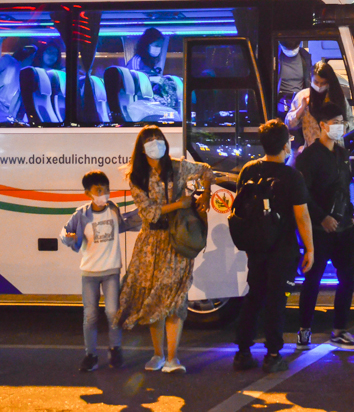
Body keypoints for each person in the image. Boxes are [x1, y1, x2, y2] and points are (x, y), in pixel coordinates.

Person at [113, 124, 214, 374]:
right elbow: (148, 212)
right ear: (141, 148)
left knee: (176, 299)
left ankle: (172, 358)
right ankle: (158, 355)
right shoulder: (136, 177)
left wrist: (205, 195)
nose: (156, 143)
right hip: (151, 243)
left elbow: (207, 171)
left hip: (177, 241)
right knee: (155, 298)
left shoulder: (178, 166)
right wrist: (179, 204)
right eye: (150, 140)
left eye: (159, 138)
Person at [233, 119, 315, 373]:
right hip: (283, 248)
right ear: (284, 146)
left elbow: (241, 207)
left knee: (254, 296)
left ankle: (243, 352)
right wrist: (310, 249)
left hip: (255, 246)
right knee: (276, 300)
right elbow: (302, 216)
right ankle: (272, 354)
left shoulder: (248, 169)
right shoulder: (291, 176)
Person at [295, 102, 354, 350]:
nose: (340, 127)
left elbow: (345, 189)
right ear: (322, 125)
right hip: (319, 231)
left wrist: (351, 221)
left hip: (344, 229)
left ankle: (340, 329)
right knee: (313, 280)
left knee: (347, 279)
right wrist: (322, 217)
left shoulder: (343, 154)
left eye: (342, 122)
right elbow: (302, 195)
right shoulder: (308, 158)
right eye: (335, 122)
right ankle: (304, 329)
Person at [60, 170, 128, 372]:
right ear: (87, 193)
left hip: (111, 271)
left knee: (112, 313)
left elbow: (127, 224)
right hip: (89, 272)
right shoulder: (81, 214)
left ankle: (115, 349)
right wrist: (70, 237)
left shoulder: (113, 210)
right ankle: (91, 355)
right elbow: (64, 233)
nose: (104, 193)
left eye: (106, 189)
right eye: (99, 190)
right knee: (90, 316)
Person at [285, 61, 354, 149]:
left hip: (335, 149)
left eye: (323, 83)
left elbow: (350, 123)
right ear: (311, 79)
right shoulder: (302, 96)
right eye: (316, 82)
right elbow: (288, 124)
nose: (319, 86)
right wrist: (301, 108)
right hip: (311, 151)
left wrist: (340, 126)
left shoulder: (338, 97)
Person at [276, 40, 312, 117]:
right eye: (287, 49)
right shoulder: (275, 57)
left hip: (299, 97)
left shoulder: (305, 57)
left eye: (294, 48)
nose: (291, 51)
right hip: (282, 98)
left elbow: (308, 80)